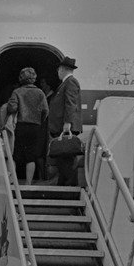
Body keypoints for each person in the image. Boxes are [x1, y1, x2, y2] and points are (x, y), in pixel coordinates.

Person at [7, 67, 49, 186]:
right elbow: (46, 110)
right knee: (31, 156)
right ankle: (28, 183)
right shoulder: (40, 93)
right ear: (34, 78)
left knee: (15, 155)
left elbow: (12, 108)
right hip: (35, 127)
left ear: (21, 78)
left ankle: (13, 181)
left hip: (20, 126)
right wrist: (39, 120)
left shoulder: (17, 92)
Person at [46, 55, 84, 186]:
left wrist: (67, 123)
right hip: (62, 127)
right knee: (63, 160)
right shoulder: (66, 83)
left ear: (62, 69)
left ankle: (69, 188)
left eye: (58, 69)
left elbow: (70, 103)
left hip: (66, 127)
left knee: (66, 161)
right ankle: (63, 186)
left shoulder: (70, 82)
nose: (57, 72)